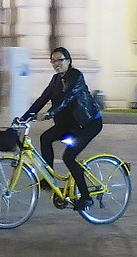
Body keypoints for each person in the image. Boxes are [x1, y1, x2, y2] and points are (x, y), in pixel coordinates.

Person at [18, 47, 102, 212]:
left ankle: (86, 197)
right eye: (53, 60)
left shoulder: (76, 76)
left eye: (60, 60)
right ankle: (48, 179)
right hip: (69, 124)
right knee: (45, 138)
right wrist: (24, 117)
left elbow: (67, 98)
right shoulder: (56, 80)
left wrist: (49, 114)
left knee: (69, 158)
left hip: (88, 123)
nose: (56, 64)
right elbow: (42, 99)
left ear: (68, 61)